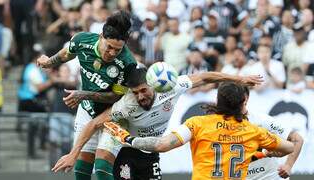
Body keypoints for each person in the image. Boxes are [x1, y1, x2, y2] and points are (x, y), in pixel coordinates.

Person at [52, 68, 263, 180]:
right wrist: (73, 152)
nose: (140, 97)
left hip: (151, 152)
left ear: (154, 85)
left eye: (144, 90)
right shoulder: (126, 104)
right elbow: (95, 123)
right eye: (135, 93)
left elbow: (205, 77)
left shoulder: (170, 86)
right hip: (127, 150)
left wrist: (239, 79)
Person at [103, 82, 294, 180]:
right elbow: (289, 148)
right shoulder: (254, 131)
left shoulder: (198, 123)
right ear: (242, 103)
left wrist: (129, 139)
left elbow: (161, 145)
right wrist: (260, 153)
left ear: (218, 101)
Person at [37, 11, 137, 180]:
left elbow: (115, 97)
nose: (112, 53)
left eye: (117, 50)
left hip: (113, 115)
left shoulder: (127, 63)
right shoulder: (82, 40)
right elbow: (65, 54)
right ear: (101, 36)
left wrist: (83, 94)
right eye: (109, 47)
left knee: (102, 168)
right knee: (81, 168)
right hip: (87, 111)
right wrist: (48, 62)